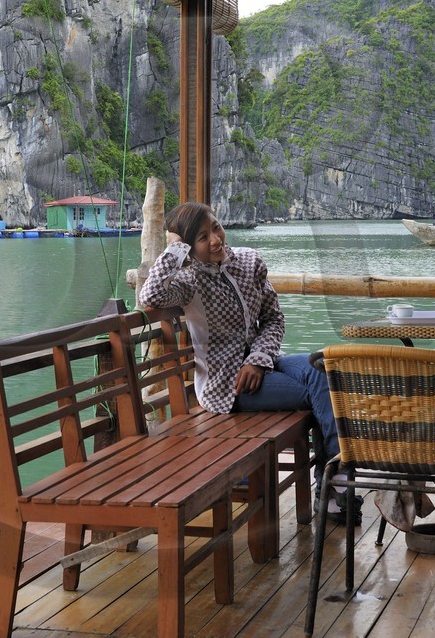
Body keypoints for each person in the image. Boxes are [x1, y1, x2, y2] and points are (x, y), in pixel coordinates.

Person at [137, 202, 347, 519]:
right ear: (188, 248)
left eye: (216, 227)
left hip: (263, 365)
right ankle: (337, 487)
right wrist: (174, 248)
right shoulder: (189, 282)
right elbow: (150, 296)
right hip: (226, 385)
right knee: (319, 393)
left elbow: (273, 319)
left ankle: (335, 483)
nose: (216, 240)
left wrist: (259, 359)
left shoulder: (249, 262)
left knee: (325, 367)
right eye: (202, 238)